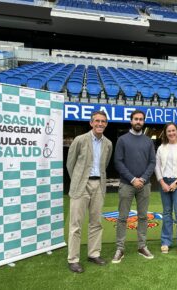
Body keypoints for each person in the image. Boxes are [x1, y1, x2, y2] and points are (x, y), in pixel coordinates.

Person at [66, 111, 113, 273]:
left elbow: (104, 164)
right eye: (97, 121)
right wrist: (78, 180)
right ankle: (73, 259)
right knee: (75, 224)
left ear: (106, 124)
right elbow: (70, 164)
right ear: (91, 123)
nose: (100, 124)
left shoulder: (108, 143)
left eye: (103, 121)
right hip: (81, 185)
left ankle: (93, 254)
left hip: (98, 185)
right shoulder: (80, 140)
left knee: (96, 222)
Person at [112, 110, 156, 263]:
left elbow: (152, 162)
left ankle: (142, 246)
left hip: (144, 185)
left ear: (144, 122)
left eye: (141, 119)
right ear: (131, 121)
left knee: (143, 217)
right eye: (136, 119)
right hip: (127, 185)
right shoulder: (122, 140)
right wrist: (132, 179)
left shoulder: (148, 141)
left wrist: (143, 179)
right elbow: (118, 162)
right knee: (122, 217)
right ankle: (120, 248)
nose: (138, 121)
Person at [155, 122, 177, 256]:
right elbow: (157, 166)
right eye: (168, 131)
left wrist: (176, 182)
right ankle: (166, 241)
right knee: (166, 212)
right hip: (164, 181)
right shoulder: (161, 148)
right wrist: (162, 182)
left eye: (173, 131)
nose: (171, 133)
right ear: (165, 133)